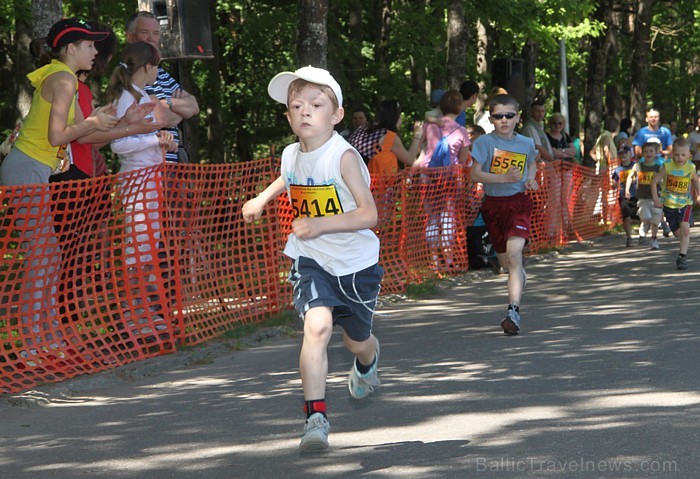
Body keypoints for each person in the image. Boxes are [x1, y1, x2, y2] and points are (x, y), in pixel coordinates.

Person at [241, 66, 383, 451]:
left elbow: (369, 215)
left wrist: (321, 224)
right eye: (296, 105)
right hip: (311, 260)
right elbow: (289, 175)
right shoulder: (290, 153)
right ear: (288, 117)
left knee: (357, 343)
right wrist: (261, 199)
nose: (305, 111)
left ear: (335, 115)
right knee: (316, 328)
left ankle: (368, 361)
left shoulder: (344, 157)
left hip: (355, 266)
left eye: (316, 104)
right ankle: (315, 418)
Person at [106, 41, 178, 327]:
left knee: (149, 246)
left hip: (151, 178)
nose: (158, 71)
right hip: (136, 182)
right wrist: (154, 139)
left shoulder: (143, 94)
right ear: (147, 66)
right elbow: (118, 144)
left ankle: (143, 311)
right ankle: (131, 313)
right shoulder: (125, 98)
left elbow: (144, 135)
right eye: (157, 65)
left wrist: (162, 142)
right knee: (137, 248)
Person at [470, 93, 539, 335]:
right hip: (493, 206)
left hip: (518, 204)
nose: (504, 120)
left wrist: (531, 179)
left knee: (514, 254)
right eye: (499, 116)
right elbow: (475, 175)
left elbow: (532, 163)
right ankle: (518, 276)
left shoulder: (526, 143)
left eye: (509, 115)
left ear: (518, 117)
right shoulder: (484, 144)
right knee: (507, 264)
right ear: (491, 118)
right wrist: (503, 178)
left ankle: (513, 310)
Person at [125, 11, 200, 163]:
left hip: (174, 162)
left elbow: (194, 105)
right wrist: (179, 112)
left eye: (156, 33)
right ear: (130, 37)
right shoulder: (130, 72)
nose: (151, 39)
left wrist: (169, 103)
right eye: (145, 32)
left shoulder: (159, 72)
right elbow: (162, 119)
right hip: (151, 166)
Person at [651, 137, 700, 270]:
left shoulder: (690, 167)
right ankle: (678, 235)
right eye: (677, 154)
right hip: (669, 204)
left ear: (689, 155)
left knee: (685, 231)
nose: (679, 158)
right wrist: (656, 199)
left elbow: (696, 180)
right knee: (677, 233)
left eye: (683, 155)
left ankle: (682, 257)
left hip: (685, 203)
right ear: (672, 154)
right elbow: (654, 182)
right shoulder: (667, 166)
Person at [348, 99, 422, 171]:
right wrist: (417, 135)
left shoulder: (361, 129)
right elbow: (410, 160)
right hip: (371, 180)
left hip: (350, 175)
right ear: (395, 118)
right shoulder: (389, 138)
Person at [626, 138, 663, 248]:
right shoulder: (638, 166)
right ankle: (645, 224)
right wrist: (627, 190)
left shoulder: (658, 167)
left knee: (655, 222)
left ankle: (654, 240)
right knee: (645, 217)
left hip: (656, 198)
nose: (648, 154)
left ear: (656, 153)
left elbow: (663, 181)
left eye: (651, 151)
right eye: (646, 151)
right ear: (642, 153)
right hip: (643, 198)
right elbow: (630, 176)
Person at [612, 145, 638, 247]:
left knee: (641, 218)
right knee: (626, 218)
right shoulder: (618, 170)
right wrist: (613, 185)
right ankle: (629, 238)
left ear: (630, 154)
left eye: (625, 153)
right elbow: (614, 183)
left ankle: (642, 233)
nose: (623, 156)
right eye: (621, 154)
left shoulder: (635, 166)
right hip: (624, 196)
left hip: (636, 195)